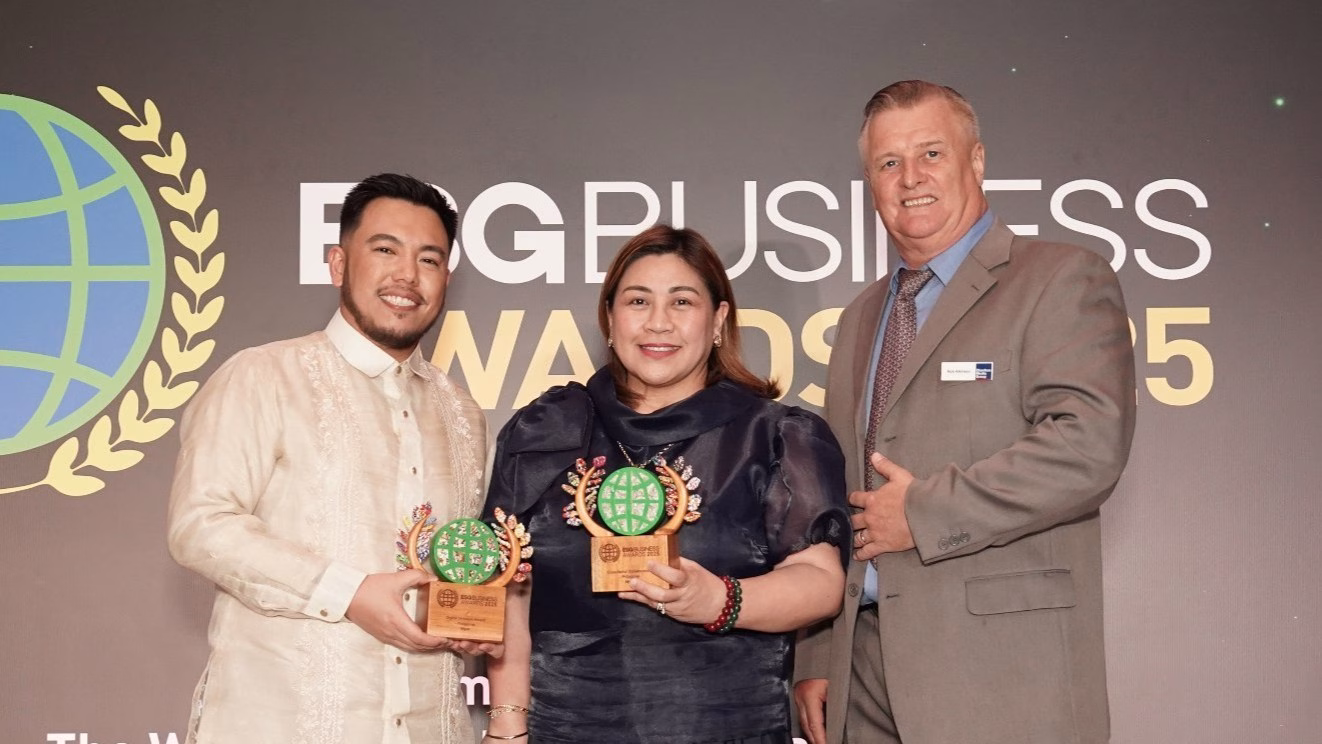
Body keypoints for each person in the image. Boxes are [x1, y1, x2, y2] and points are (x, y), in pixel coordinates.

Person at [793, 81, 1137, 744]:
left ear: (976, 160)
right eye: (888, 162)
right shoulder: (860, 317)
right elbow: (833, 498)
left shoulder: (1060, 278)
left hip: (999, 679)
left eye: (931, 153)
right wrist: (818, 653)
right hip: (863, 679)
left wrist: (922, 514)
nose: (910, 178)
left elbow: (1087, 447)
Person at [481, 225, 850, 744]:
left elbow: (821, 582)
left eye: (682, 301)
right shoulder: (545, 431)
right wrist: (506, 725)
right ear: (609, 318)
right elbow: (511, 588)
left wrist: (721, 599)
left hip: (729, 728)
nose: (658, 322)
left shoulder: (775, 435)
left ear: (718, 320)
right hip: (563, 729)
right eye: (638, 301)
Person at [167, 173, 489, 744]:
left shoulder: (462, 412)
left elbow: (453, 564)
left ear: (446, 279)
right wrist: (349, 592)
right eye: (385, 250)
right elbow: (201, 525)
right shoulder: (263, 376)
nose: (407, 275)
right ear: (339, 264)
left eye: (429, 259)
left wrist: (471, 609)